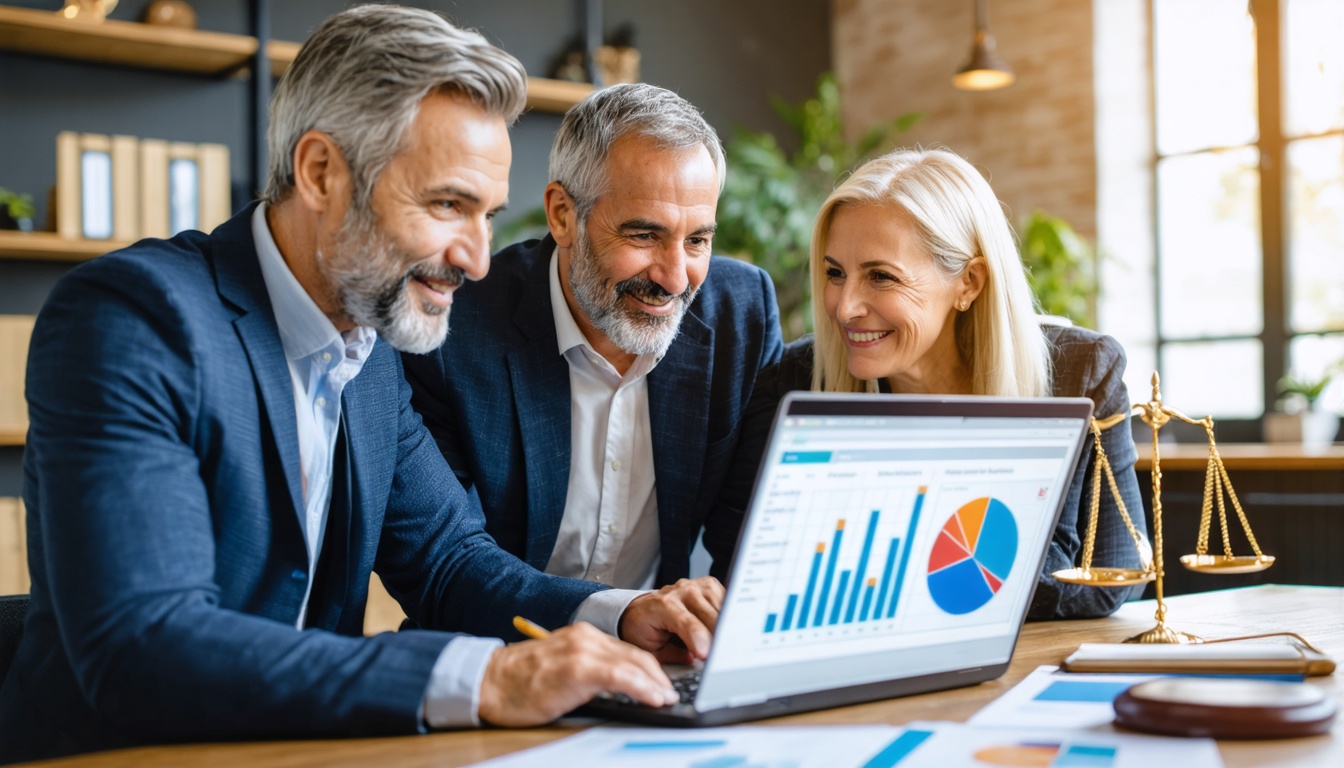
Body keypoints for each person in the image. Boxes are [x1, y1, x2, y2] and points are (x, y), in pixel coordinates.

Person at [0, 7, 722, 763]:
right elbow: (140, 646)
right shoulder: (133, 320)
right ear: (321, 173)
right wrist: (485, 678)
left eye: (487, 215)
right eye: (446, 205)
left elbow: (447, 559)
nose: (477, 259)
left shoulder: (370, 345)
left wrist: (623, 614)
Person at [722, 147, 1149, 620]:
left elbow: (1116, 577)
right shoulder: (799, 379)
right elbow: (740, 570)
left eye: (881, 276)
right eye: (835, 273)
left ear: (969, 282)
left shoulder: (1080, 371)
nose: (844, 308)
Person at [402, 83, 783, 589]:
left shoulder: (742, 313)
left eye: (697, 240)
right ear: (563, 215)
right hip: (500, 652)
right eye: (644, 234)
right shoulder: (455, 329)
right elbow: (447, 566)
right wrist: (619, 618)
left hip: (658, 656)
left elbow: (752, 538)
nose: (674, 278)